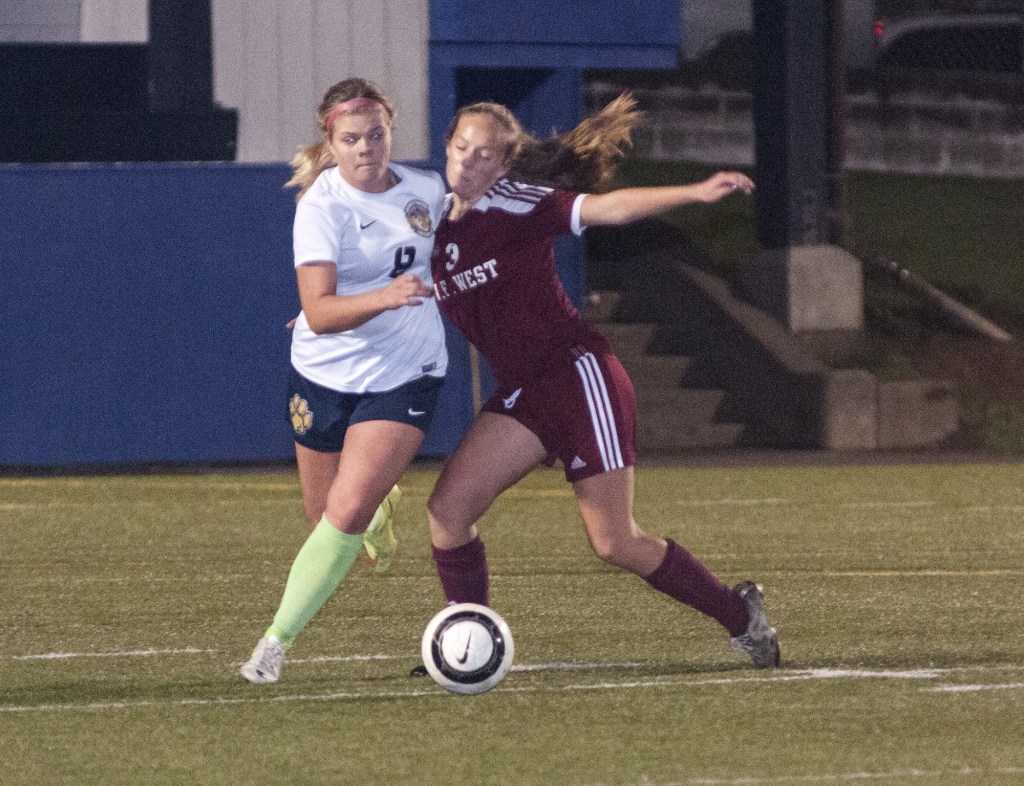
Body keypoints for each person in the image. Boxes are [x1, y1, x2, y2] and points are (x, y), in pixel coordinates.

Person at [423, 94, 780, 669]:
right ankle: (473, 646)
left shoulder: (517, 204)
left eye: (485, 155)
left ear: (505, 163)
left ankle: (739, 614)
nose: (468, 162)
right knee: (448, 511)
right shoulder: (433, 229)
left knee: (614, 542)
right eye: (461, 148)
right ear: (446, 149)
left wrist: (692, 191)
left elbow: (607, 209)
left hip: (576, 376)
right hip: (524, 392)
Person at [240, 78, 448, 684]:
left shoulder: (428, 191)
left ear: (392, 131)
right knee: (324, 516)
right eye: (351, 138)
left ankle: (274, 643)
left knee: (347, 509)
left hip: (406, 369)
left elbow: (467, 246)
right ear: (330, 142)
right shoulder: (321, 207)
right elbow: (322, 314)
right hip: (322, 374)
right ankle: (377, 505)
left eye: (376, 134)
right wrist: (383, 297)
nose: (366, 148)